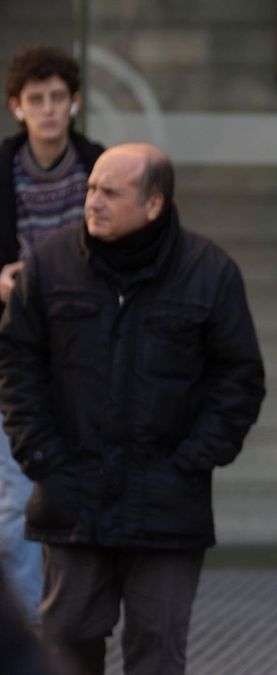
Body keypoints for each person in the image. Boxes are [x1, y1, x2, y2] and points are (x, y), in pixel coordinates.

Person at [0, 143, 266, 674]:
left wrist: (190, 461)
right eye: (91, 188)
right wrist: (43, 458)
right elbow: (17, 366)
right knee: (66, 644)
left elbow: (239, 379)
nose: (92, 202)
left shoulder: (209, 273)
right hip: (72, 501)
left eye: (110, 193)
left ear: (153, 204)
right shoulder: (48, 267)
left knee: (156, 653)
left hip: (167, 508)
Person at [0, 45, 105, 625]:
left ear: (75, 102)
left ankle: (62, 629)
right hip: (15, 361)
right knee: (15, 506)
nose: (47, 110)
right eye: (35, 100)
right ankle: (26, 641)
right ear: (17, 107)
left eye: (57, 98)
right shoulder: (2, 172)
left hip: (87, 361)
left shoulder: (103, 169)